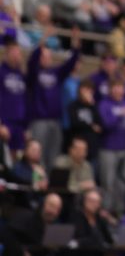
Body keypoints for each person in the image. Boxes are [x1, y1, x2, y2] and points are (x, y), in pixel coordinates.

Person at [26, 25, 81, 170]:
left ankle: (51, 187)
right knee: (38, 155)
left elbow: (71, 63)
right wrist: (43, 39)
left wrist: (74, 41)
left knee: (54, 157)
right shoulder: (34, 73)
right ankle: (38, 185)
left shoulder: (56, 73)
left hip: (55, 121)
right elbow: (32, 60)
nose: (48, 58)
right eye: (44, 56)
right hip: (39, 120)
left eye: (49, 56)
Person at [98, 79, 125, 215]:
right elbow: (106, 125)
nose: (118, 90)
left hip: (124, 150)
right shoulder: (104, 105)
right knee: (108, 183)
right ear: (110, 89)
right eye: (116, 87)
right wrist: (119, 115)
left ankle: (119, 213)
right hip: (108, 150)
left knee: (122, 185)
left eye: (121, 87)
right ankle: (105, 212)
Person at [0, 38, 28, 155]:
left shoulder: (20, 74)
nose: (17, 55)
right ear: (7, 53)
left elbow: (25, 100)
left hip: (19, 123)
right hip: (5, 122)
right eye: (14, 52)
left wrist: (26, 127)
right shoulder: (1, 72)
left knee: (16, 156)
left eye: (19, 52)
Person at [71, 188, 114, 253]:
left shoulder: (100, 219)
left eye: (97, 202)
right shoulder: (77, 217)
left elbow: (109, 240)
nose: (94, 204)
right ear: (84, 201)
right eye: (91, 201)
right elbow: (77, 241)